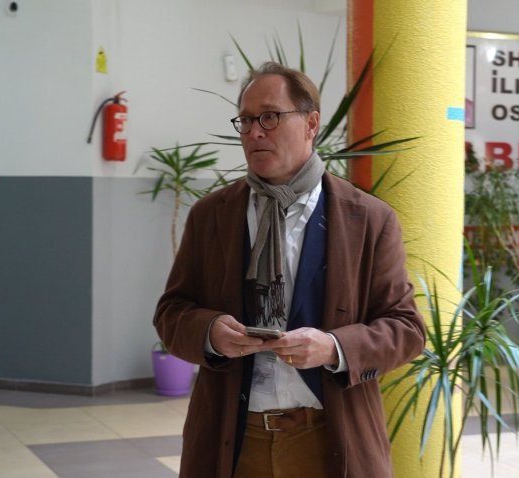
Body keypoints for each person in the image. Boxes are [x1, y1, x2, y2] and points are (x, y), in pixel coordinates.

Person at [153, 62, 425, 477]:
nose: (254, 132)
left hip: (328, 438)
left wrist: (332, 347)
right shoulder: (211, 215)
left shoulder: (368, 219)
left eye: (270, 117)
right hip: (231, 438)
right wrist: (210, 332)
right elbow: (171, 313)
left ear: (311, 123)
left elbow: (406, 329)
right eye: (246, 120)